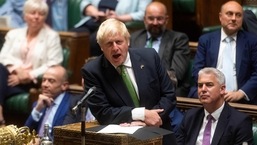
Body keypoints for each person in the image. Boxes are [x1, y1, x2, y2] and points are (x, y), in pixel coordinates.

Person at [81, 18, 176, 145]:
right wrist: (141, 114)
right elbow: (103, 112)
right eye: (109, 44)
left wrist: (151, 118)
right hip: (124, 139)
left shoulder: (150, 57)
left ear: (128, 41)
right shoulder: (93, 71)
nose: (115, 48)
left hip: (160, 134)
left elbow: (169, 95)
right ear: (101, 47)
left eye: (119, 42)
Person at [0, 0, 63, 125]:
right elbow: (3, 57)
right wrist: (18, 71)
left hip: (31, 83)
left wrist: (28, 75)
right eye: (33, 13)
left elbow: (54, 63)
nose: (36, 17)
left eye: (41, 14)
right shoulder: (14, 34)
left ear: (45, 17)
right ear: (24, 15)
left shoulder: (52, 36)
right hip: (9, 78)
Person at [188, 1, 257, 105]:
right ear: (220, 17)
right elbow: (197, 70)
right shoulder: (206, 40)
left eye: (238, 15)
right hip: (210, 98)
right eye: (229, 14)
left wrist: (241, 93)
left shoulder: (252, 41)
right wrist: (212, 91)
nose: (233, 18)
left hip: (241, 100)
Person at [177, 67, 253, 145]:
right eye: (200, 85)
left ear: (222, 89)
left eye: (209, 85)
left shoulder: (240, 122)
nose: (203, 89)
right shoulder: (190, 117)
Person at [130, 1, 190, 97]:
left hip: (167, 93)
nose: (155, 23)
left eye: (159, 19)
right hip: (136, 91)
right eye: (151, 18)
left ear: (166, 20)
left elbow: (175, 75)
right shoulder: (134, 38)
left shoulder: (178, 39)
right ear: (144, 19)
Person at [71, 0, 151, 56]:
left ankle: (84, 73)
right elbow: (84, 2)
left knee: (94, 40)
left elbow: (143, 13)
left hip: (114, 26)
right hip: (93, 22)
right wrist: (95, 12)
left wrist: (119, 18)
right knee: (72, 37)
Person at [25, 65, 80, 139]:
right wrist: (37, 108)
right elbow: (26, 131)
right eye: (44, 80)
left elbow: (65, 136)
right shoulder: (39, 103)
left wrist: (41, 142)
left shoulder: (72, 104)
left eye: (51, 81)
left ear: (64, 85)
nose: (45, 85)